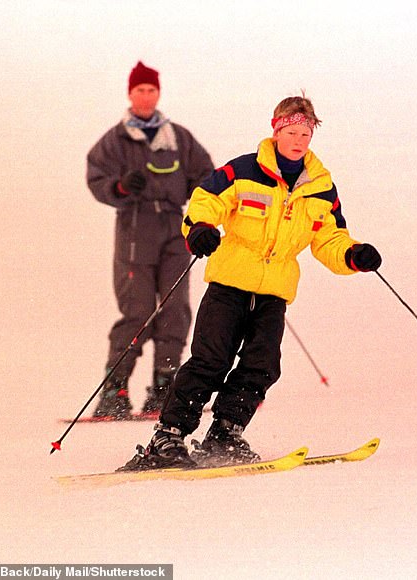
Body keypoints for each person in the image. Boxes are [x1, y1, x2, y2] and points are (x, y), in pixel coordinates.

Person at [120, 94, 382, 470]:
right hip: (230, 284)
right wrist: (201, 230)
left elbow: (330, 238)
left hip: (274, 292)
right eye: (291, 132)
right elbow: (205, 201)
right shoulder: (242, 170)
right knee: (211, 360)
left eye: (305, 134)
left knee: (262, 365)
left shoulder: (321, 187)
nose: (298, 140)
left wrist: (353, 255)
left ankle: (225, 432)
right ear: (276, 129)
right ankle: (168, 435)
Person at [87, 61, 214, 419]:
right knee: (138, 311)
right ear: (130, 94)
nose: (146, 95)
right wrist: (122, 187)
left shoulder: (178, 138)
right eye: (140, 90)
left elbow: (207, 175)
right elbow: (98, 179)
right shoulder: (115, 140)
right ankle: (115, 389)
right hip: (135, 230)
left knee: (175, 309)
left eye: (151, 90)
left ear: (159, 94)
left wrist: (201, 198)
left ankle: (165, 386)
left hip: (175, 228)